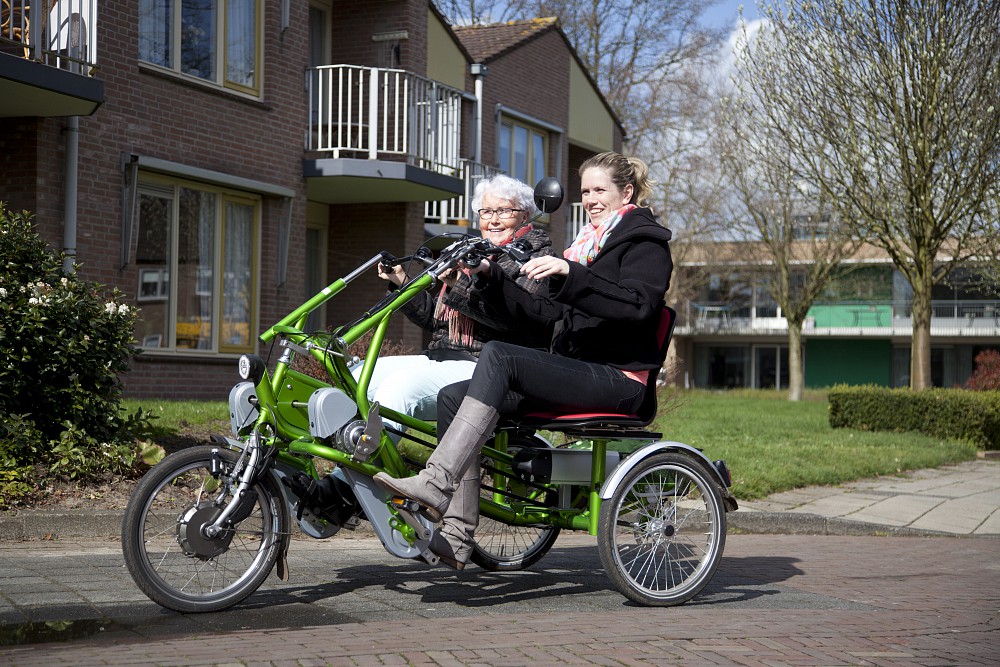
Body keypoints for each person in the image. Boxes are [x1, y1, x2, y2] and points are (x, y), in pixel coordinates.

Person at [374, 151, 673, 570]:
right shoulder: (586, 245)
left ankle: (435, 483)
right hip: (580, 372)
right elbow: (541, 312)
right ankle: (457, 535)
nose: (590, 199)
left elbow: (638, 306)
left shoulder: (645, 242)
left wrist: (571, 274)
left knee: (498, 353)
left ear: (626, 192)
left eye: (599, 190)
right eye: (585, 191)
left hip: (619, 379)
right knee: (451, 397)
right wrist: (490, 276)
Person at [354, 174, 554, 444]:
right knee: (356, 376)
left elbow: (513, 321)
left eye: (504, 211)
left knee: (398, 389)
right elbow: (435, 321)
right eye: (486, 211)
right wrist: (401, 281)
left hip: (489, 367)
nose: (493, 220)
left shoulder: (537, 258)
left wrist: (460, 285)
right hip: (441, 357)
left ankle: (363, 470)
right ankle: (339, 461)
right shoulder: (473, 253)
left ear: (525, 215)